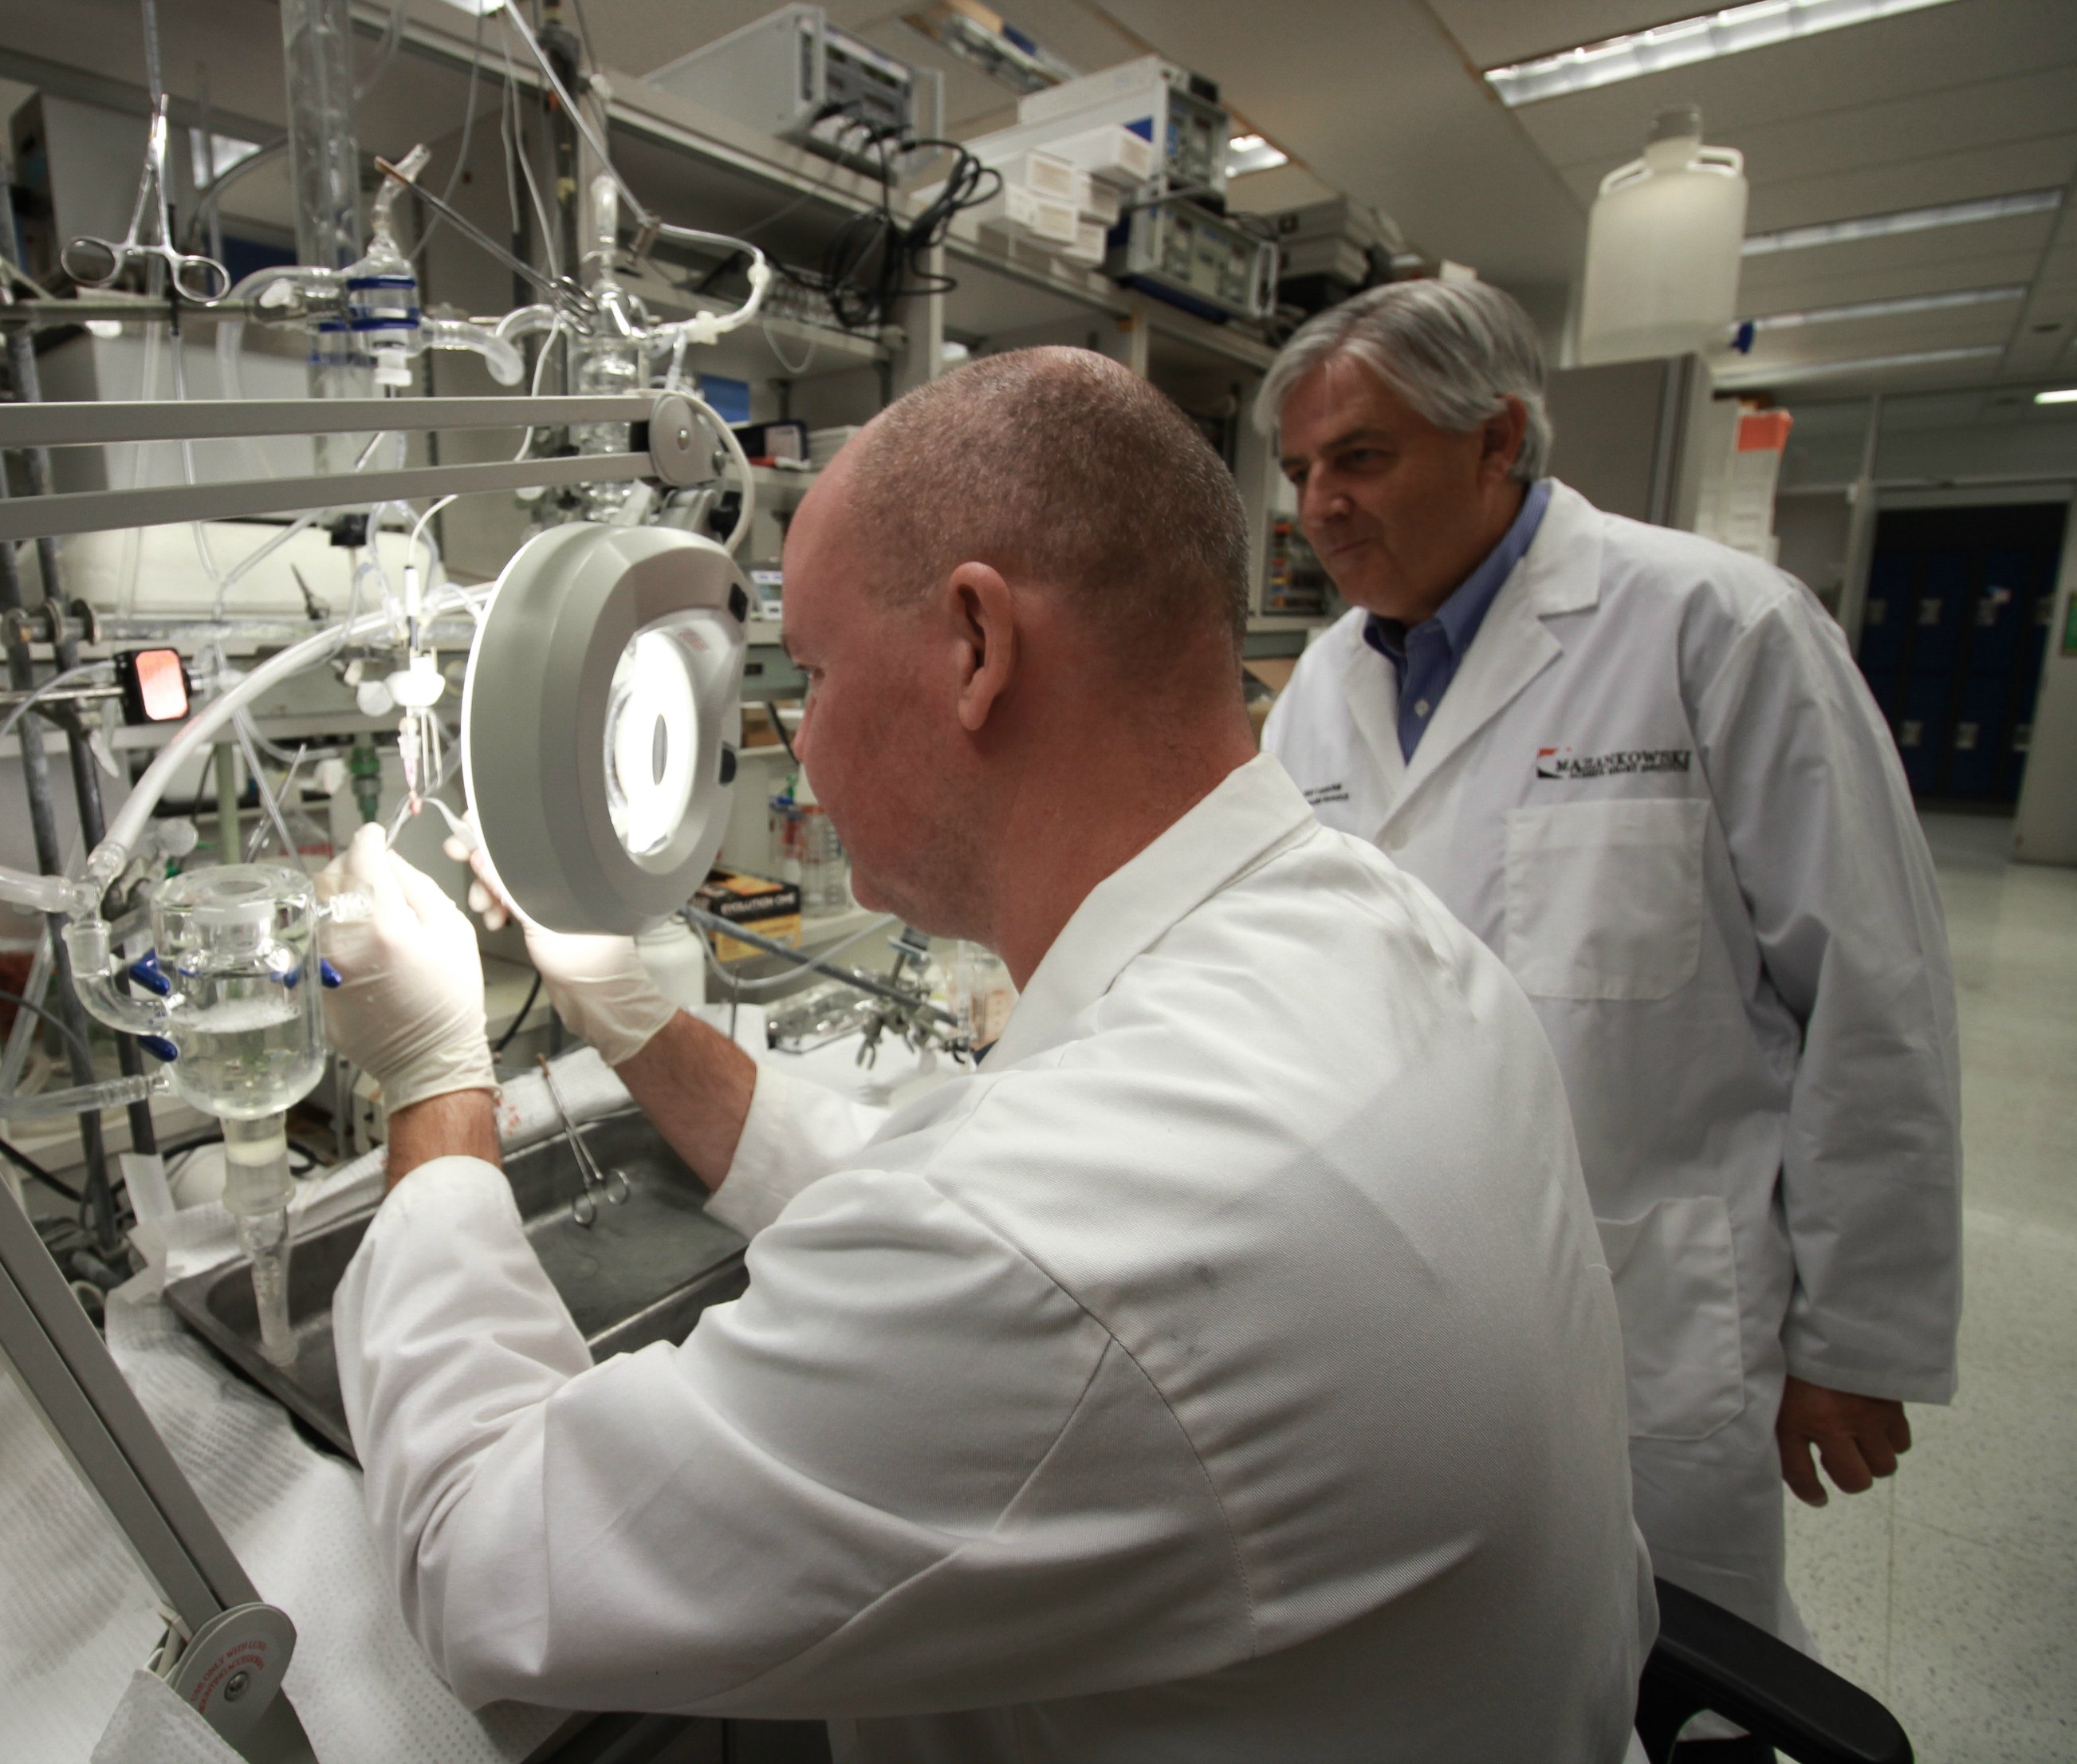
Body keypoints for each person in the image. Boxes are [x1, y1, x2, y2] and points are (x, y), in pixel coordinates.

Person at [317, 346, 1651, 1760]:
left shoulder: (1066, 1240)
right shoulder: (1386, 938)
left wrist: (434, 1085)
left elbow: (486, 1562)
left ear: (975, 646)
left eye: (815, 674)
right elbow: (936, 1183)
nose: (798, 744)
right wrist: (634, 1018)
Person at [1256, 279, 1962, 1676]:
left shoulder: (1719, 629)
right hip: (1398, 1305)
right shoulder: (1319, 693)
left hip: (1651, 1303)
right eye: (1296, 471)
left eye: (1359, 457)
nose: (1317, 506)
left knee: (1680, 1662)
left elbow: (1872, 998)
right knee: (1462, 1672)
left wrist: (1857, 1332)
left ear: (1495, 441)